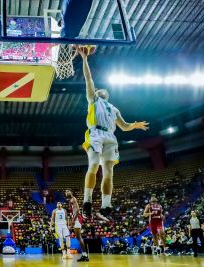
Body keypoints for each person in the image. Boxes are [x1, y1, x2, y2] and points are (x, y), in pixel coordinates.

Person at [78, 47, 149, 219]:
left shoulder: (114, 108)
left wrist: (135, 125)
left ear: (107, 95)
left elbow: (124, 127)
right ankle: (87, 202)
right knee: (94, 165)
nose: (99, 90)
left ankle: (106, 206)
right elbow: (88, 78)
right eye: (98, 89)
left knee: (109, 171)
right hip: (95, 133)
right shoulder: (93, 100)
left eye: (102, 89)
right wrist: (85, 59)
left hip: (111, 137)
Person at [65, 189, 89, 262]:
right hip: (75, 219)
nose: (66, 192)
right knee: (79, 237)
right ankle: (84, 255)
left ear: (71, 192)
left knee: (79, 237)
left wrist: (73, 220)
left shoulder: (73, 199)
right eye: (65, 192)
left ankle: (85, 255)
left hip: (77, 219)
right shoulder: (70, 200)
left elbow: (78, 210)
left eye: (68, 191)